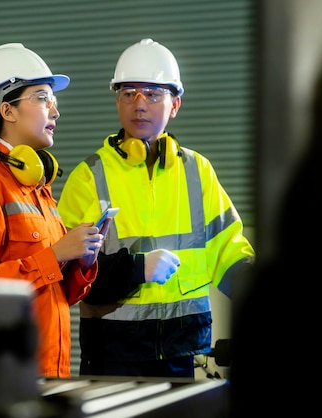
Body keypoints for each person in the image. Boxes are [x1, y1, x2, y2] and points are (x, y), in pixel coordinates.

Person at [57, 38, 256, 379]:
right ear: (117, 101)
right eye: (128, 92)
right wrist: (136, 270)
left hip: (186, 355)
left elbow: (229, 253)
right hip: (113, 358)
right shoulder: (88, 177)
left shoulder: (198, 171)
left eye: (152, 93)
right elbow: (67, 276)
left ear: (175, 104)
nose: (139, 104)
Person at [0, 43, 105, 378]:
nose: (55, 111)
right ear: (7, 111)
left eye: (54, 101)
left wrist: (83, 262)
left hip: (50, 371)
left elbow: (59, 293)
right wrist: (55, 255)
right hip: (6, 377)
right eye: (43, 98)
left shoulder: (39, 190)